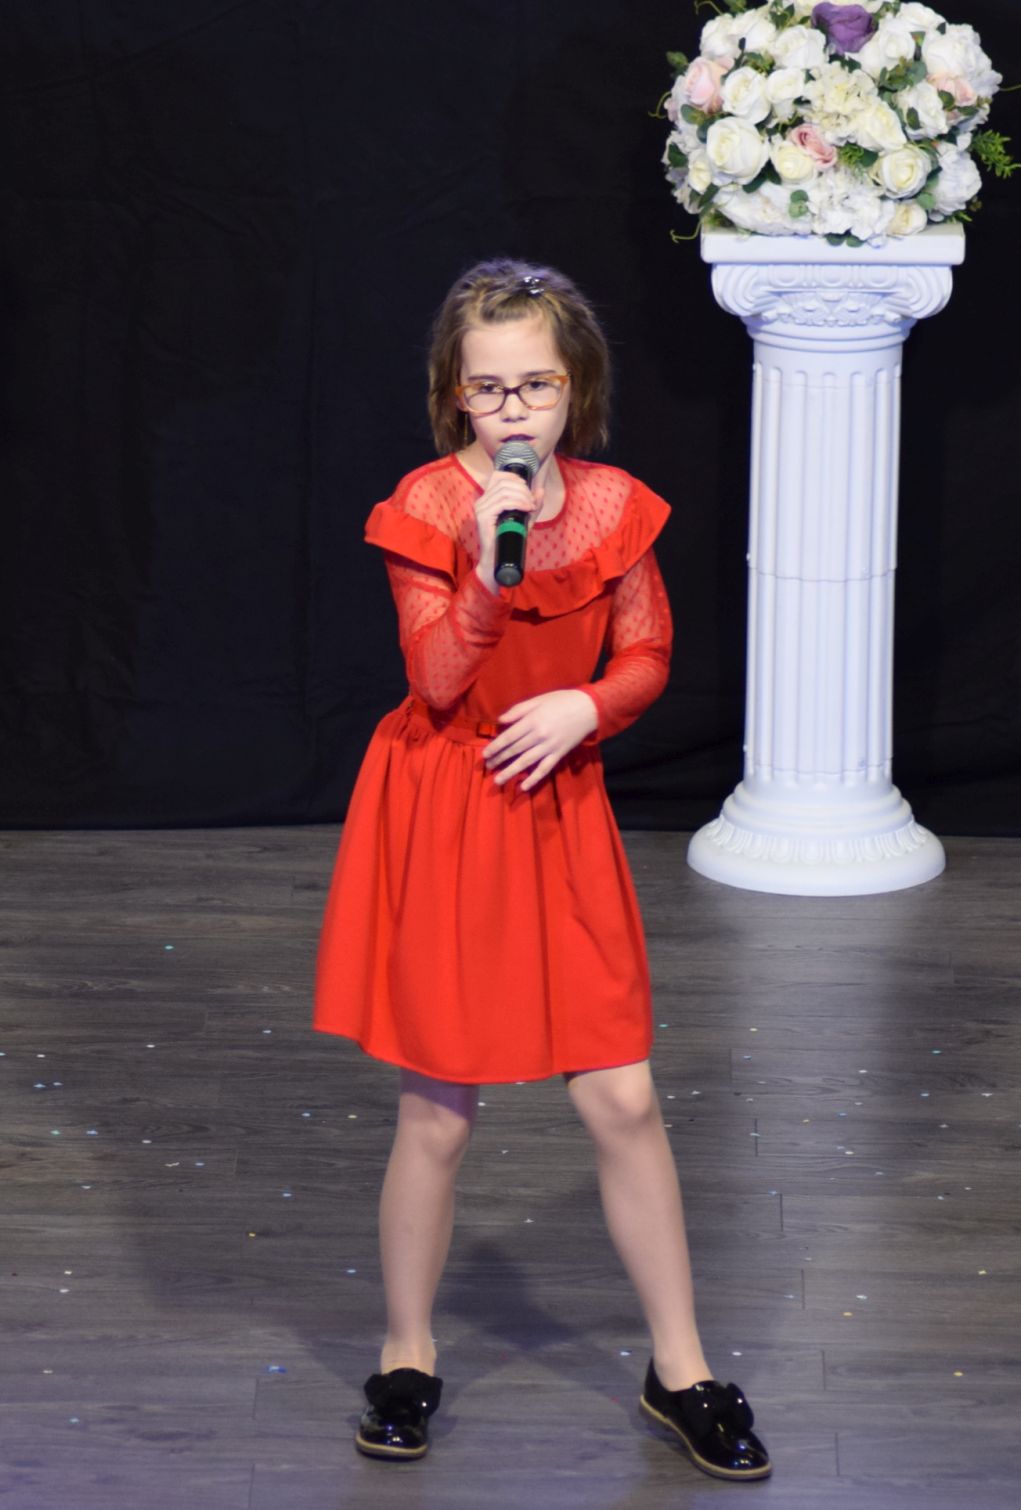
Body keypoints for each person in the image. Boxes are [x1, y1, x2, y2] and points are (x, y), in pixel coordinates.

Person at [313, 258, 771, 1483]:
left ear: (577, 389)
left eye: (535, 386)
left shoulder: (614, 506)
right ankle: (406, 1353)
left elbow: (648, 652)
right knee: (438, 1108)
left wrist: (587, 705)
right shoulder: (427, 505)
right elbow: (434, 679)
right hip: (448, 803)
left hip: (555, 803)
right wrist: (482, 561)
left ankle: (679, 1368)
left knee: (620, 1096)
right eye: (487, 389)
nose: (511, 410)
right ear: (452, 396)